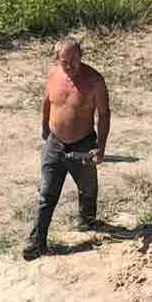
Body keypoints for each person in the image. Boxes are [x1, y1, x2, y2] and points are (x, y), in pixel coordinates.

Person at [23, 37, 111, 261]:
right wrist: (45, 128)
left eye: (74, 59)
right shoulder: (53, 75)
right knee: (47, 195)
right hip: (54, 144)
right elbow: (47, 102)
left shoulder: (94, 81)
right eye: (65, 61)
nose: (70, 65)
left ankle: (87, 221)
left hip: (83, 145)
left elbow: (104, 114)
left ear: (81, 54)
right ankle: (37, 243)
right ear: (57, 60)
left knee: (88, 188)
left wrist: (100, 147)